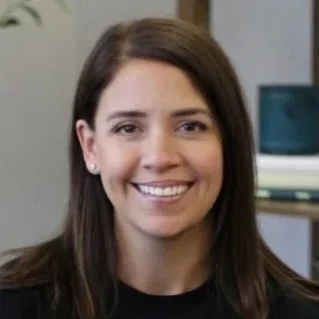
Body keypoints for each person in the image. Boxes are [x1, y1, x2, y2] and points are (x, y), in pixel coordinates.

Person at [0, 17, 318, 319]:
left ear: (229, 143)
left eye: (190, 126)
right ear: (91, 146)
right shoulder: (14, 305)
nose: (160, 157)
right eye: (128, 128)